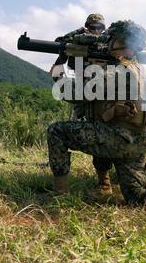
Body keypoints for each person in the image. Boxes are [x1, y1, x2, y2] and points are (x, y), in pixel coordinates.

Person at [47, 20, 146, 220]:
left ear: (121, 42)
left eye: (110, 39)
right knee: (136, 196)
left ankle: (60, 196)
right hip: (137, 143)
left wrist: (62, 60)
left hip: (118, 139)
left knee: (57, 131)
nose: (107, 43)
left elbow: (67, 91)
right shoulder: (136, 69)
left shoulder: (114, 73)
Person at [49, 13, 114, 196]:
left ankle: (107, 180)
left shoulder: (109, 44)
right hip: (84, 99)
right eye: (91, 27)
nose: (96, 31)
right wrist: (79, 35)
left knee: (105, 129)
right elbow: (59, 44)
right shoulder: (78, 45)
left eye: (99, 27)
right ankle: (102, 181)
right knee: (92, 130)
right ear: (86, 27)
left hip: (108, 100)